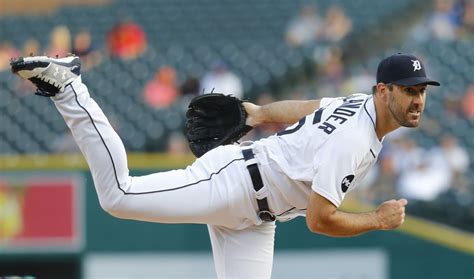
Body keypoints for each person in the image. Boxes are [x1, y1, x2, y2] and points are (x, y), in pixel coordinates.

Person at [10, 53, 440, 278]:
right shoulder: (355, 138)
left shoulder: (358, 105)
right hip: (233, 182)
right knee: (116, 196)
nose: (417, 99)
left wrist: (256, 113)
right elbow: (319, 220)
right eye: (408, 90)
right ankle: (70, 89)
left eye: (421, 90)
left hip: (256, 218)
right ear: (384, 90)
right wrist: (378, 220)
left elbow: (308, 107)